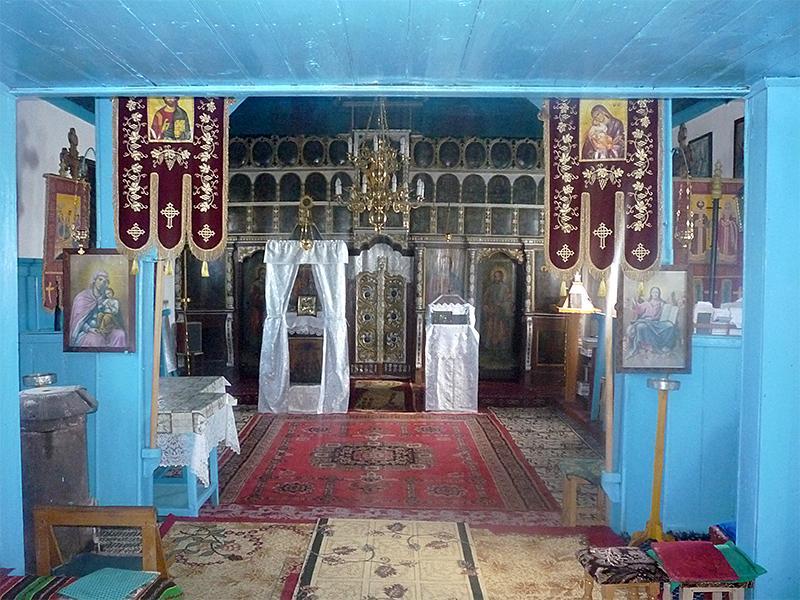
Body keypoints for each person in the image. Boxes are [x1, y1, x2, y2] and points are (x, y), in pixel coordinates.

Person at [69, 271, 127, 348]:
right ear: (94, 280)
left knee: (120, 335)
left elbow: (113, 314)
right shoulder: (83, 297)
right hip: (88, 330)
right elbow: (78, 321)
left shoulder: (106, 297)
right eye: (100, 279)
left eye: (105, 281)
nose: (102, 283)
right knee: (96, 339)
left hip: (106, 328)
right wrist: (89, 329)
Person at [625, 286, 678, 358]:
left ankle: (665, 346)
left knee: (670, 326)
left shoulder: (662, 303)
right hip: (646, 321)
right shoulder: (646, 303)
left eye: (657, 292)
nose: (655, 294)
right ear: (651, 293)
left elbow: (668, 309)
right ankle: (647, 346)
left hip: (657, 323)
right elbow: (638, 310)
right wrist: (635, 304)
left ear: (659, 294)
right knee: (641, 326)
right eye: (654, 292)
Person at [481, 268, 512, 353]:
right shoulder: (490, 288)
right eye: (495, 276)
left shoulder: (505, 288)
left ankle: (502, 346)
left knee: (501, 328)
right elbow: (485, 298)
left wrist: (502, 304)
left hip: (501, 312)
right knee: (490, 328)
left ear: (501, 277)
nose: (496, 278)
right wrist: (486, 306)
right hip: (492, 311)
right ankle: (489, 346)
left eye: (498, 276)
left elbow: (509, 300)